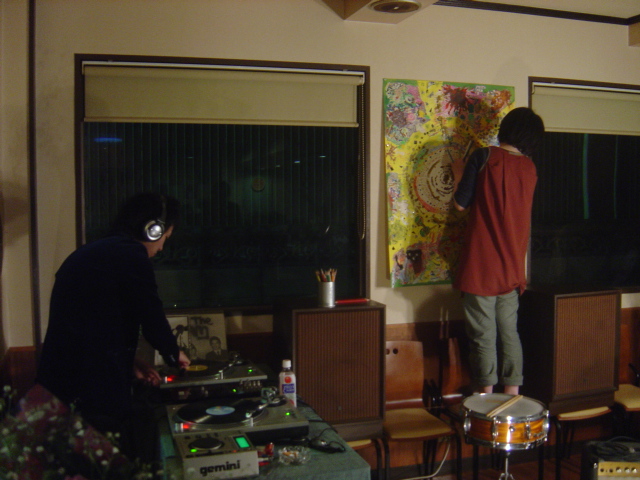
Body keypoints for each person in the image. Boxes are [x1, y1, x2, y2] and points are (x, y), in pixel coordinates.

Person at [36, 192, 190, 459]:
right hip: (88, 393)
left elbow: (93, 327)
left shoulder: (96, 252)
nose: (162, 248)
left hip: (61, 386)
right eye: (165, 238)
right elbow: (150, 312)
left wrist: (129, 363)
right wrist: (174, 354)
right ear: (153, 230)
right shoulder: (131, 254)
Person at [452, 107, 545, 395]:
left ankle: (486, 397)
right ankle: (512, 395)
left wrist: (458, 173)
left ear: (506, 128)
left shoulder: (483, 157)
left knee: (483, 336)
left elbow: (460, 205)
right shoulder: (530, 168)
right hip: (513, 269)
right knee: (509, 333)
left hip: (481, 267)